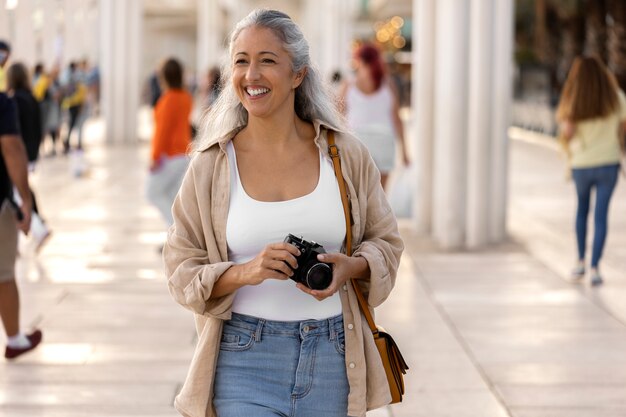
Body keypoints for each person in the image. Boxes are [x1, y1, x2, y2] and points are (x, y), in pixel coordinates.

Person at [164, 9, 403, 417]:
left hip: (334, 357)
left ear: (298, 75)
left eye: (267, 60)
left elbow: (387, 243)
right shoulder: (211, 165)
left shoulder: (345, 155)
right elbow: (180, 268)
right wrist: (246, 271)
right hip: (242, 358)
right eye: (241, 61)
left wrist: (352, 267)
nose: (251, 75)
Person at [556, 55, 626, 286]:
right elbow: (623, 126)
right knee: (601, 216)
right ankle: (595, 267)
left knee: (581, 212)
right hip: (608, 163)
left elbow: (567, 132)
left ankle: (579, 262)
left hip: (582, 165)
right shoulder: (616, 98)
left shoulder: (574, 100)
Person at [0, 40, 43, 360]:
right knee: (3, 272)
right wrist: (25, 200)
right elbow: (12, 148)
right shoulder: (3, 102)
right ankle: (14, 339)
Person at [339, 43, 409, 189]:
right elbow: (397, 119)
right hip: (384, 141)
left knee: (357, 196)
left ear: (359, 60)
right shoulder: (388, 84)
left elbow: (337, 117)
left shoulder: (349, 85)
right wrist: (405, 151)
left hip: (357, 142)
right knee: (381, 198)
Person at [7, 62, 51, 252]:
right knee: (20, 191)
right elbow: (40, 127)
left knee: (17, 194)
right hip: (31, 152)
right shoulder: (32, 98)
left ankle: (39, 229)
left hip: (20, 153)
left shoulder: (14, 100)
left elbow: (13, 135)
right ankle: (32, 228)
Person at [146, 57, 193, 231]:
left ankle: (175, 232)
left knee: (152, 192)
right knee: (173, 197)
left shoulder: (167, 100)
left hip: (171, 155)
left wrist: (154, 157)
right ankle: (177, 236)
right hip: (184, 153)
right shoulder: (186, 97)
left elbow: (162, 132)